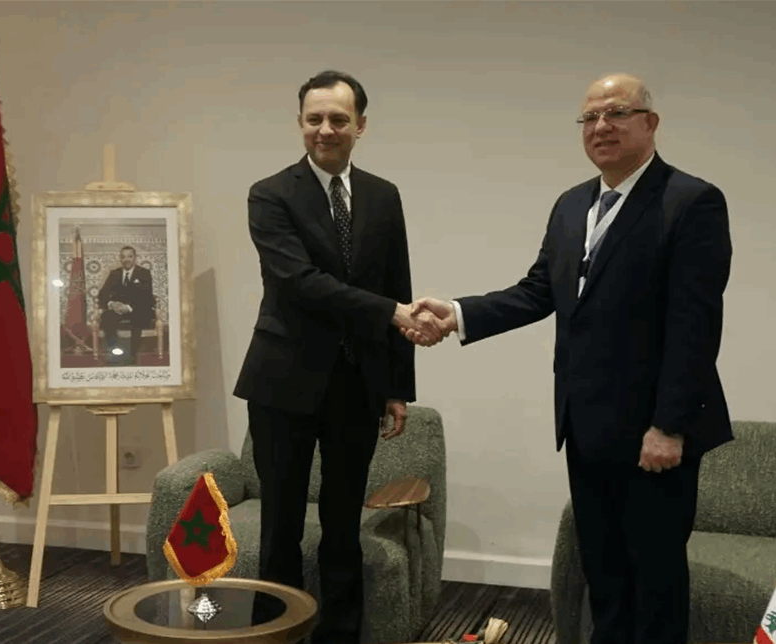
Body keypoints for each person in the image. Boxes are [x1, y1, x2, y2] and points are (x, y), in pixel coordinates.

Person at [409, 73, 733, 644]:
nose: (601, 126)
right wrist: (457, 313)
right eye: (590, 117)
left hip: (654, 434)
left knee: (654, 577)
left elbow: (695, 326)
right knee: (603, 573)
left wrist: (669, 425)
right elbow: (539, 290)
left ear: (650, 123)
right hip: (585, 426)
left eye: (617, 113)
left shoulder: (691, 202)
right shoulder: (571, 205)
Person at [233, 70, 437, 644]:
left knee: (344, 524)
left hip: (357, 384)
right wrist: (392, 311)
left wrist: (396, 386)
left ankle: (341, 634)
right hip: (282, 384)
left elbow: (397, 281)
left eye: (338, 119)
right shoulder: (270, 194)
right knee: (280, 526)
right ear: (300, 123)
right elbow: (300, 282)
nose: (325, 129)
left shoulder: (383, 195)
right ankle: (273, 635)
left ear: (360, 126)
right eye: (314, 118)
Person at [96, 245, 155, 363]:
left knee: (138, 318)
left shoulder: (144, 273)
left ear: (135, 258)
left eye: (129, 256)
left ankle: (132, 357)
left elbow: (146, 297)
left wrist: (128, 307)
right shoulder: (114, 273)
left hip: (136, 309)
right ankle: (115, 354)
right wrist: (112, 304)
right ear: (120, 258)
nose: (126, 259)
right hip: (117, 310)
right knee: (106, 317)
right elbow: (102, 294)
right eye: (123, 257)